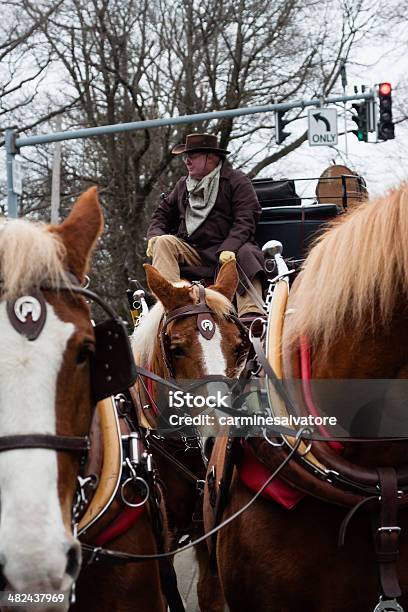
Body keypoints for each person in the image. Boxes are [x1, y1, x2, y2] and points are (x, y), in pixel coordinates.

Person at [146, 133, 265, 317]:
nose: (187, 161)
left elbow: (246, 219)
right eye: (186, 157)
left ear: (211, 157)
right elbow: (162, 213)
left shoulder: (236, 181)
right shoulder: (182, 185)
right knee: (163, 242)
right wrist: (154, 235)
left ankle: (251, 315)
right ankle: (169, 306)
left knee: (246, 253)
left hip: (226, 251)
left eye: (191, 156)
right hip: (193, 251)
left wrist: (230, 247)